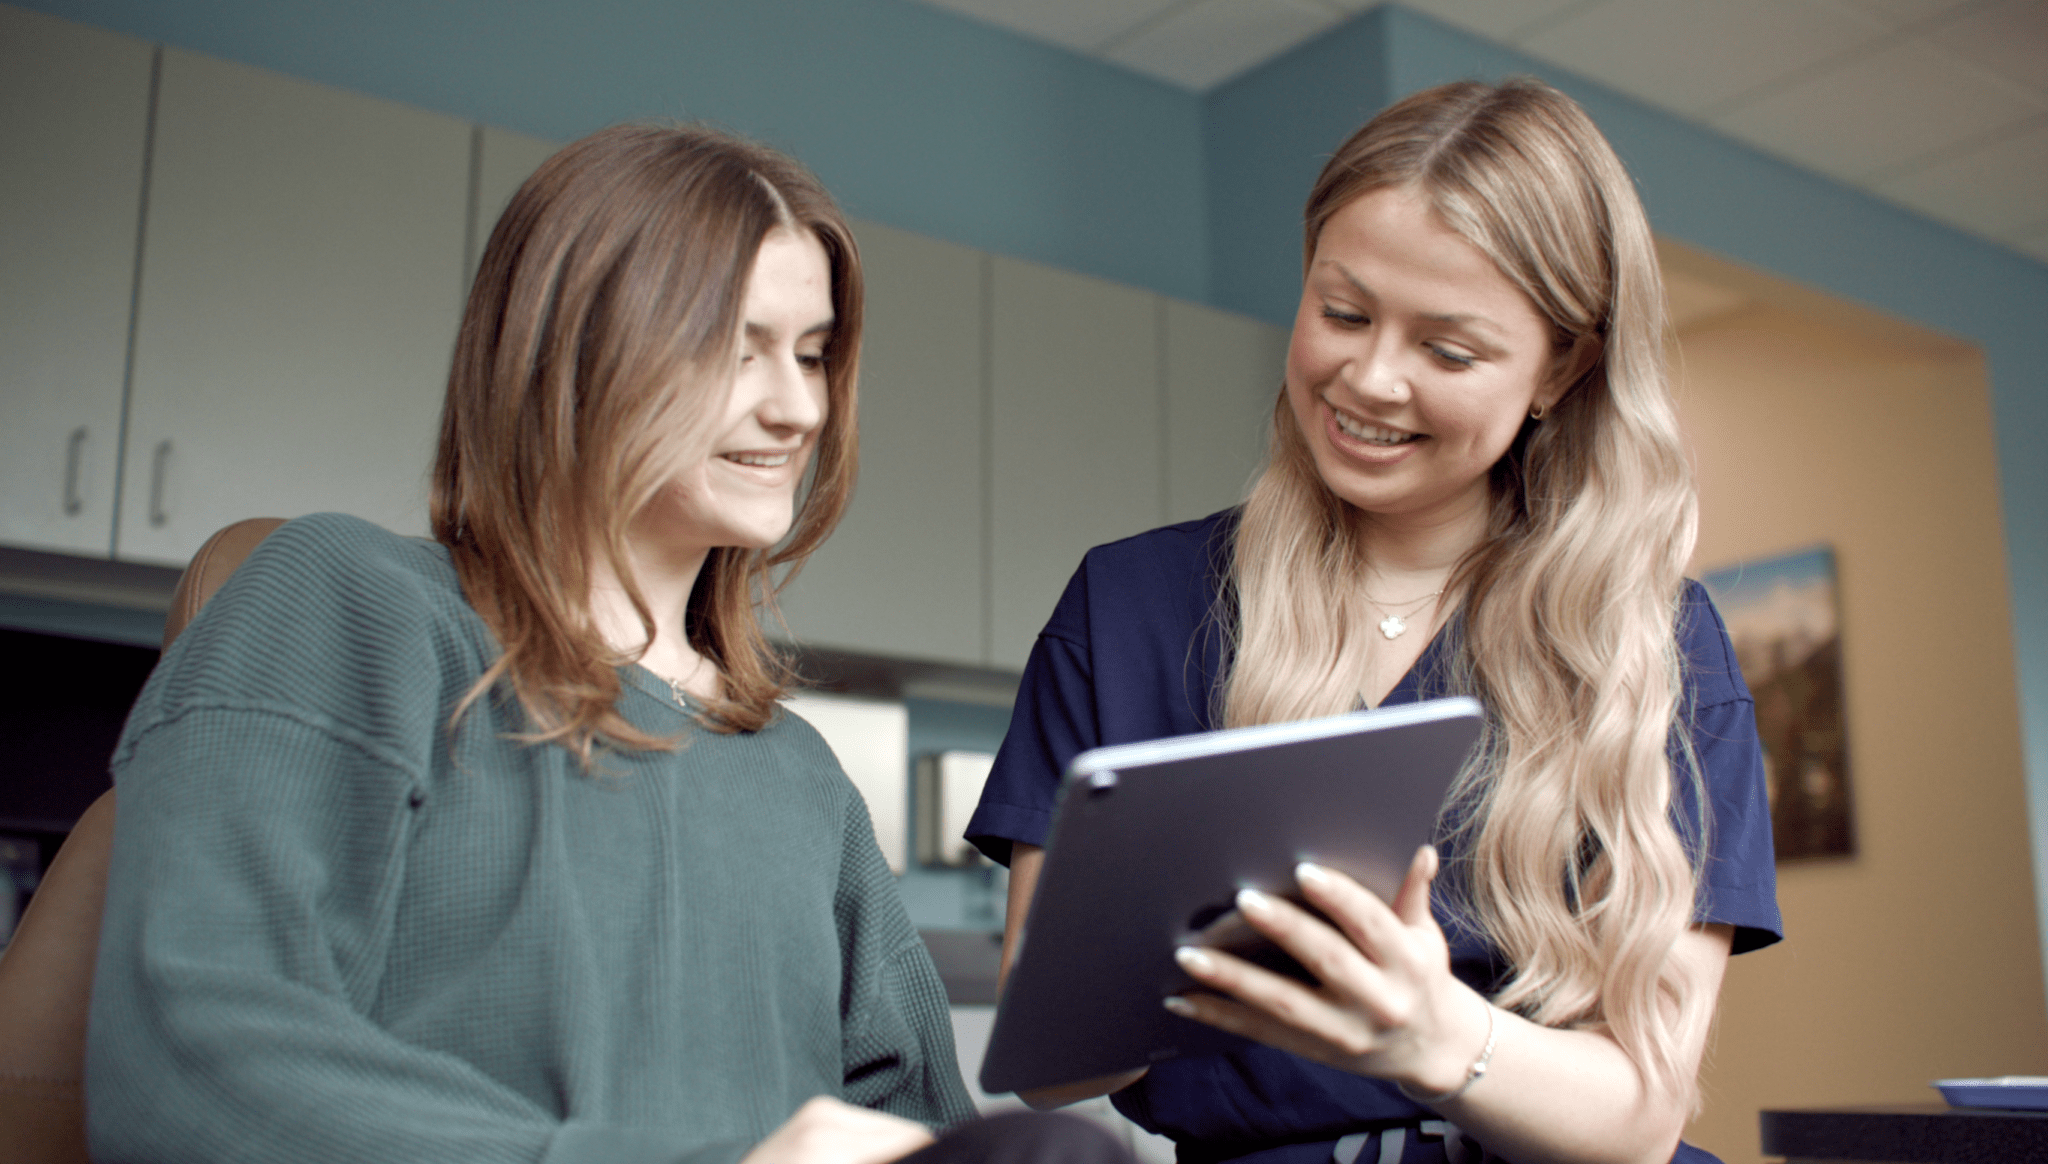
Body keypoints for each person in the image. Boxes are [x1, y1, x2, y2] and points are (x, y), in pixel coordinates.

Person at [87, 124, 1127, 1164]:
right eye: (735, 349)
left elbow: (919, 1128)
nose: (798, 406)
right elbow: (195, 1055)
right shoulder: (346, 604)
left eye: (811, 355)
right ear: (571, 348)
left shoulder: (802, 778)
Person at [966, 80, 1781, 1164]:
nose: (1368, 377)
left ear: (1562, 368)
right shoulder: (1129, 612)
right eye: (1340, 312)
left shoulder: (1654, 645)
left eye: (1448, 351)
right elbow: (1049, 1067)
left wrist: (1434, 1035)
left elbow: (1640, 1115)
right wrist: (1145, 952)